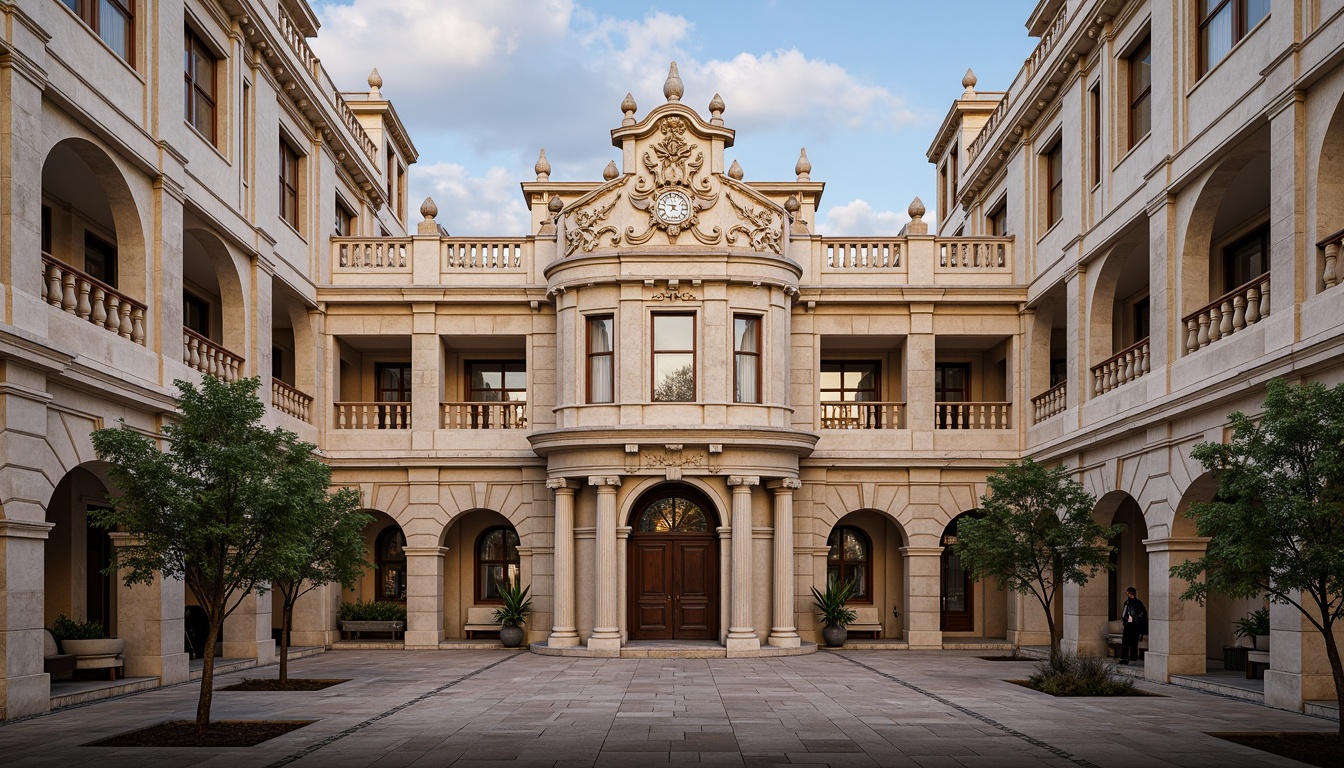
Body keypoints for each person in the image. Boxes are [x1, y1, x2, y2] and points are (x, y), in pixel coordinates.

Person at [1119, 587, 1147, 665]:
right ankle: (1124, 658)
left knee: (1134, 641)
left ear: (1132, 593)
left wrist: (1136, 618)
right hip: (1127, 625)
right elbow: (1124, 613)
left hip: (1135, 625)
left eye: (1128, 593)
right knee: (1125, 641)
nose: (1127, 594)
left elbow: (1142, 613)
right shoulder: (1126, 602)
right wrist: (1125, 618)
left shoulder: (1138, 603)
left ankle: (1133, 657)